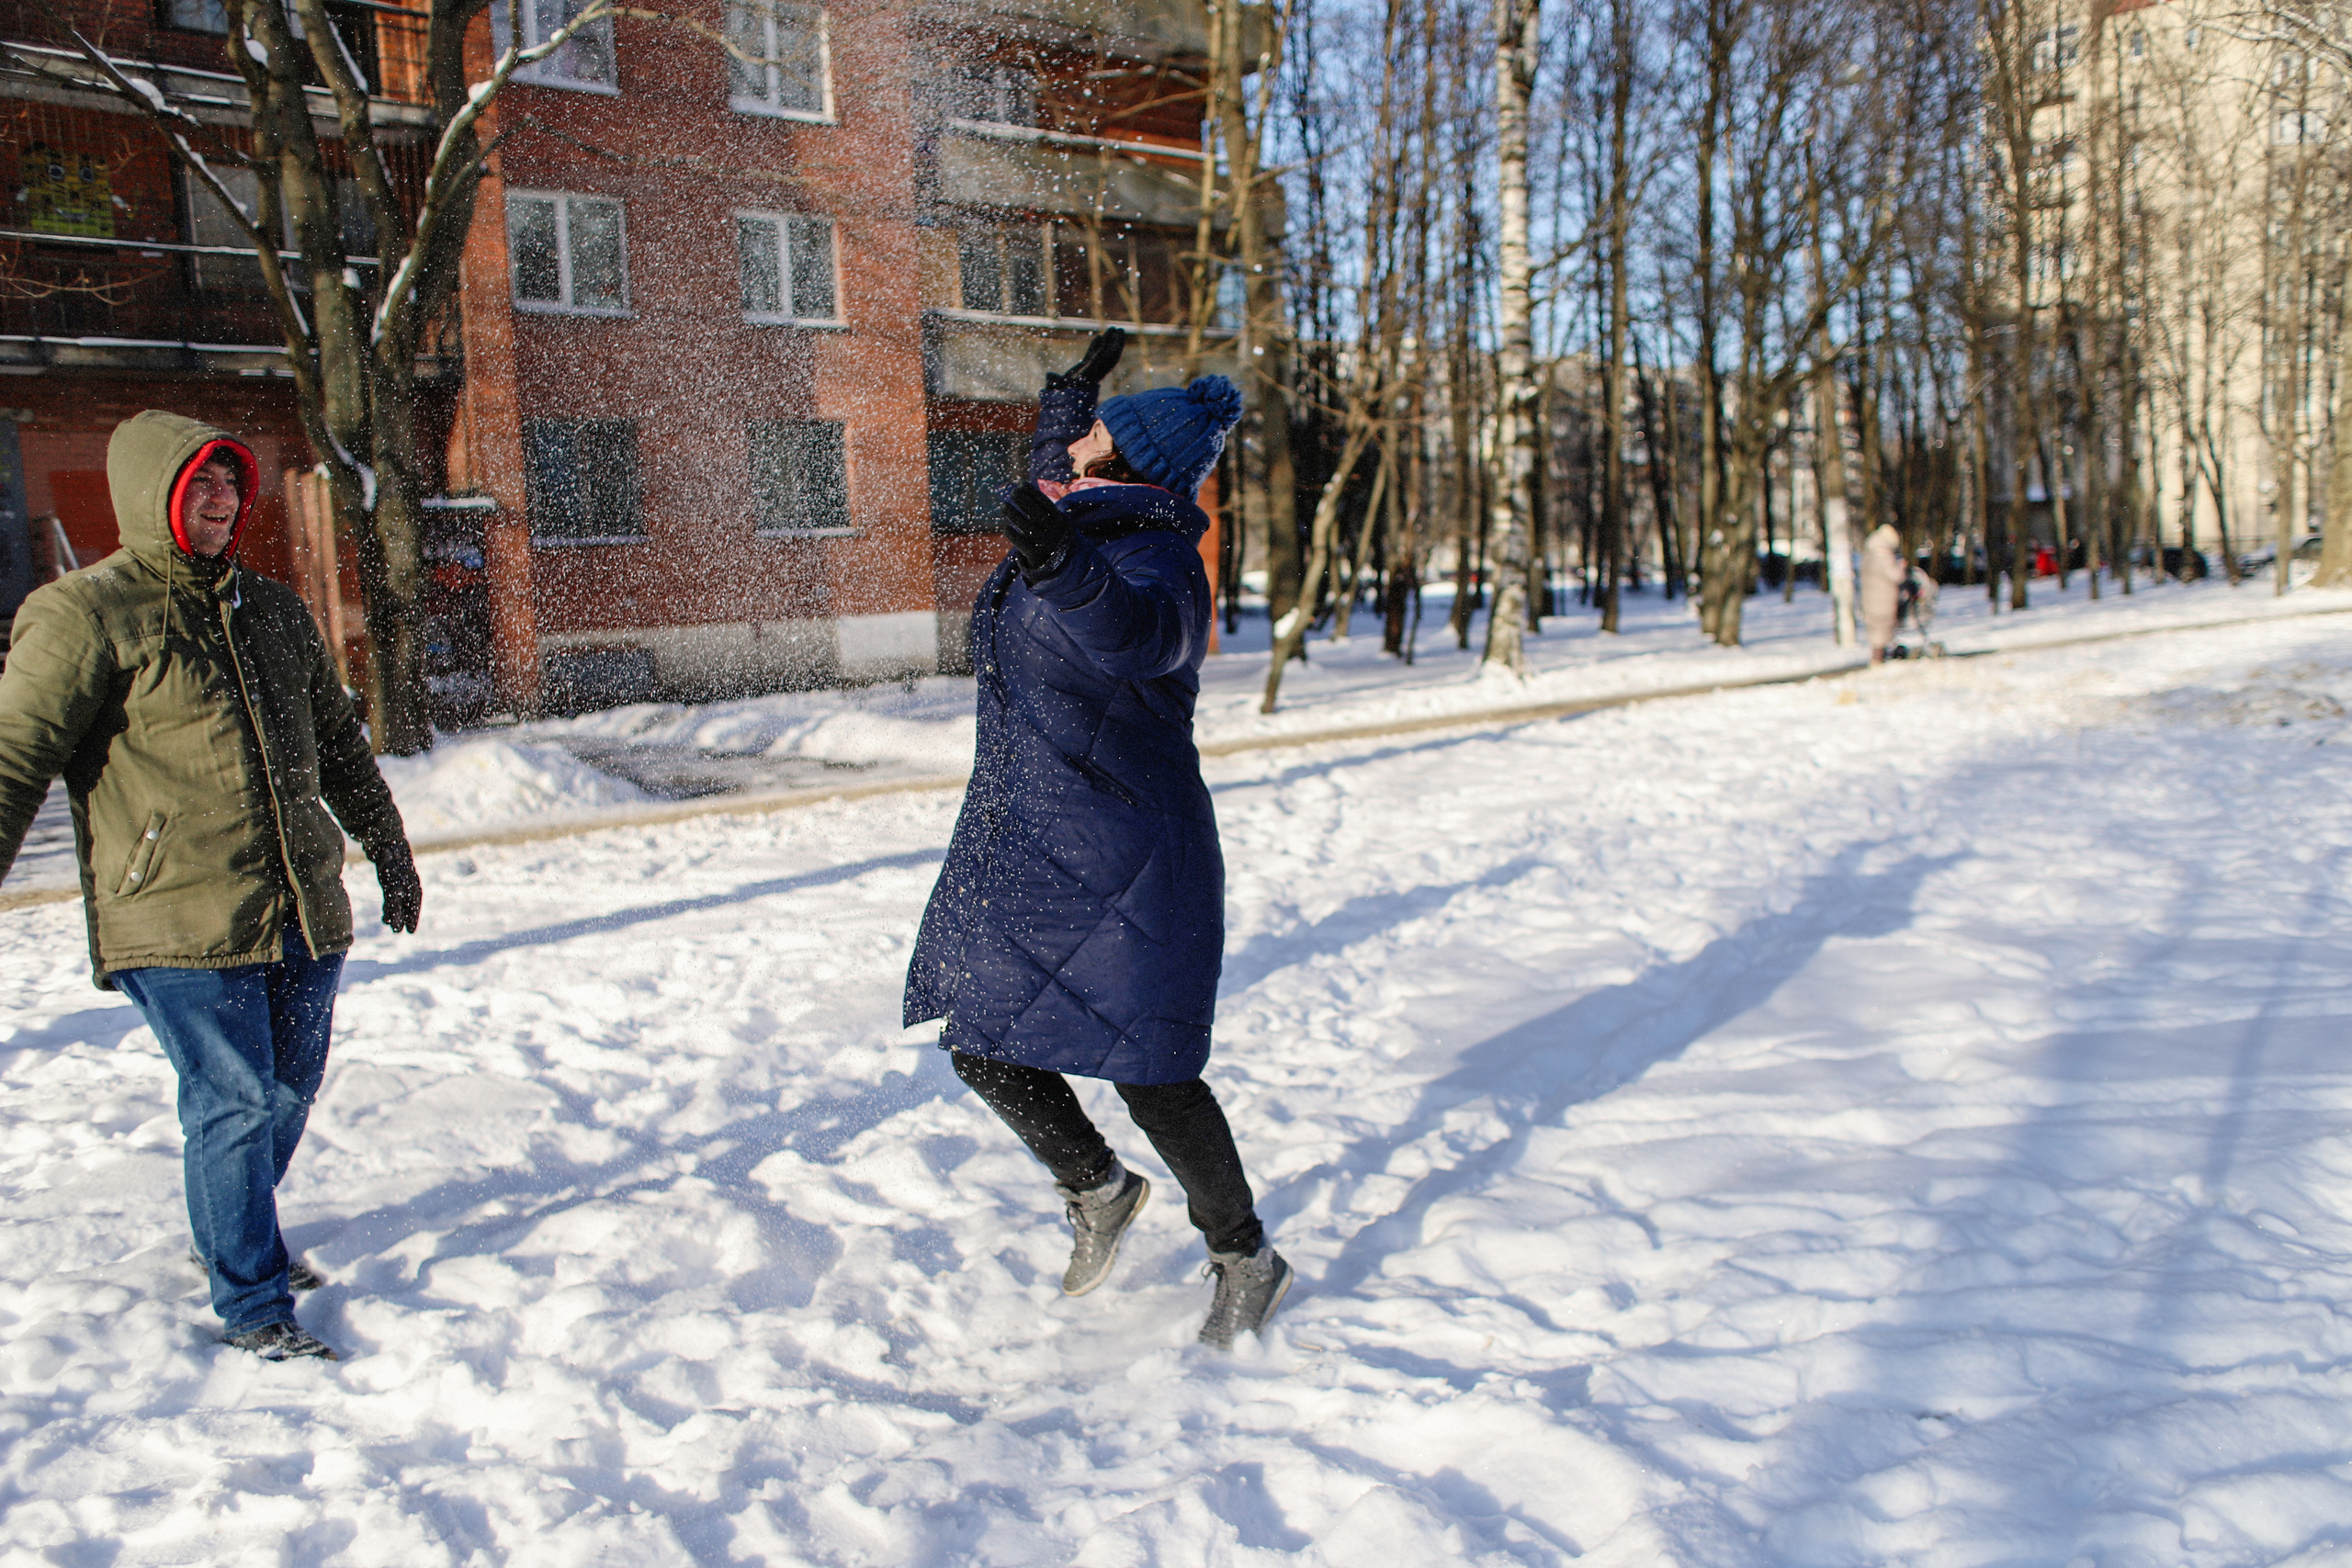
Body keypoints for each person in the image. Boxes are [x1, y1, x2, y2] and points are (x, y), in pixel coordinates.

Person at [0, 411, 420, 1363]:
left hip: (298, 902)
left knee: (286, 1090)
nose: (222, 500)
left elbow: (343, 751)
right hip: (176, 913)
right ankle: (253, 1302)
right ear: (152, 496)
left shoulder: (270, 610)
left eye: (230, 483)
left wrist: (388, 849)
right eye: (199, 484)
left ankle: (233, 1229)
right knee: (230, 1097)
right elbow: (14, 759)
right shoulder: (86, 614)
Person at [905, 329, 1291, 1350]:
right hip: (1032, 839)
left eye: (1093, 438)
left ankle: (1245, 1256)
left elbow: (1139, 633)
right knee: (981, 1041)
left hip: (1128, 851)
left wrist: (1062, 565)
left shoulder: (1156, 555)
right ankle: (1097, 1189)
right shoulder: (1087, 506)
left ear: (1120, 465)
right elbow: (1056, 469)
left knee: (1149, 1070)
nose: (1069, 452)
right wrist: (1068, 396)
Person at [1860, 522, 1905, 663]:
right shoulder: (1884, 555)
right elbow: (1896, 576)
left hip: (1869, 598)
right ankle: (1878, 658)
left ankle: (1877, 656)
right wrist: (1901, 566)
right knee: (1882, 629)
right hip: (1884, 598)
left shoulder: (1869, 553)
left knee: (1875, 630)